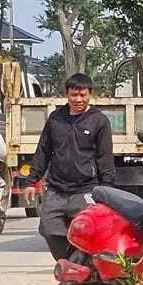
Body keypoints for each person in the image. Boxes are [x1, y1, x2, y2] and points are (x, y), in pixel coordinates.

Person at [31, 73, 115, 261]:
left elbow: (105, 157)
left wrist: (107, 189)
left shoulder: (99, 121)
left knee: (89, 232)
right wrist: (31, 179)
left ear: (90, 94)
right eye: (73, 95)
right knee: (48, 229)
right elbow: (43, 150)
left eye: (82, 95)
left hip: (85, 189)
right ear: (66, 94)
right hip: (56, 189)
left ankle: (83, 273)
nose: (78, 99)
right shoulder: (55, 119)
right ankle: (66, 266)